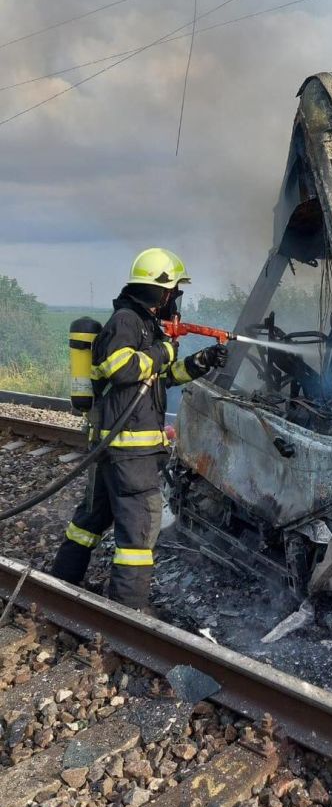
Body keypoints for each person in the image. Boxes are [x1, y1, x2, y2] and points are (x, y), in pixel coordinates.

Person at [50, 247, 226, 610]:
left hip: (113, 450)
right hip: (131, 454)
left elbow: (155, 381)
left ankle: (60, 585)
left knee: (90, 520)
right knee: (138, 534)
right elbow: (121, 368)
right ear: (159, 290)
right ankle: (127, 616)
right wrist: (166, 352)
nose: (175, 298)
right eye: (173, 290)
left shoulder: (142, 325)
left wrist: (199, 363)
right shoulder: (126, 322)